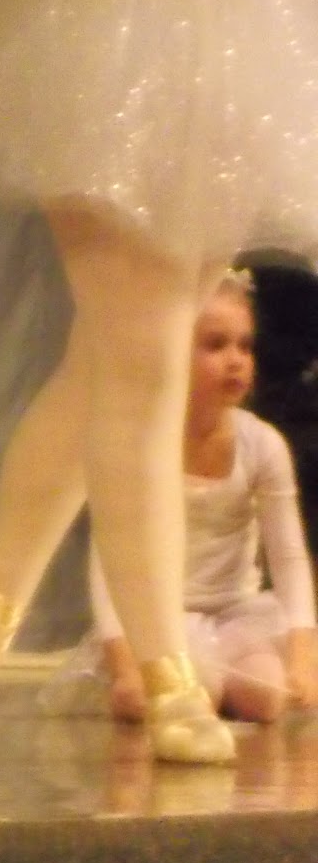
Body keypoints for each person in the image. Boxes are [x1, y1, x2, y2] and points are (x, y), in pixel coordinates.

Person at [0, 0, 318, 762]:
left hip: (246, 20)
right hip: (130, 20)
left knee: (103, 363)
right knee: (144, 365)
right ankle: (167, 674)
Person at [93, 272, 317, 723]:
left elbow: (289, 559)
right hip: (160, 619)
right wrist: (124, 665)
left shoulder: (262, 445)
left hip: (238, 616)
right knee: (195, 694)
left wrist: (303, 657)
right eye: (215, 345)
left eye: (245, 347)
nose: (236, 361)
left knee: (268, 697)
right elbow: (108, 564)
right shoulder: (141, 443)